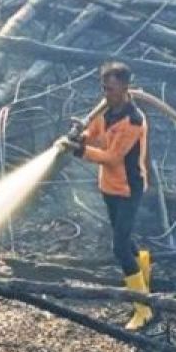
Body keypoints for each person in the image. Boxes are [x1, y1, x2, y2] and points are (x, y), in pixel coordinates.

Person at [63, 61, 153, 330]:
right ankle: (145, 285)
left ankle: (143, 309)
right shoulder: (107, 110)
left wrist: (80, 151)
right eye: (103, 87)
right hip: (109, 187)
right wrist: (82, 135)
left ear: (125, 87)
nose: (106, 93)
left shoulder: (133, 120)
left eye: (111, 88)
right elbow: (96, 133)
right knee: (125, 239)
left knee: (119, 247)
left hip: (128, 188)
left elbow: (113, 157)